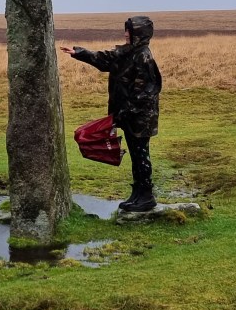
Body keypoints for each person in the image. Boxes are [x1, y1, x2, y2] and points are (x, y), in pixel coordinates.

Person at [61, 16, 162, 212]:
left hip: (140, 118)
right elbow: (104, 59)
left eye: (129, 31)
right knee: (136, 154)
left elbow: (148, 92)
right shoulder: (127, 53)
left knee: (141, 155)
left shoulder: (143, 56)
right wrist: (79, 53)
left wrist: (127, 111)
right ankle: (138, 193)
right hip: (128, 115)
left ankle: (146, 196)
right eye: (126, 30)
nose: (125, 34)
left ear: (138, 34)